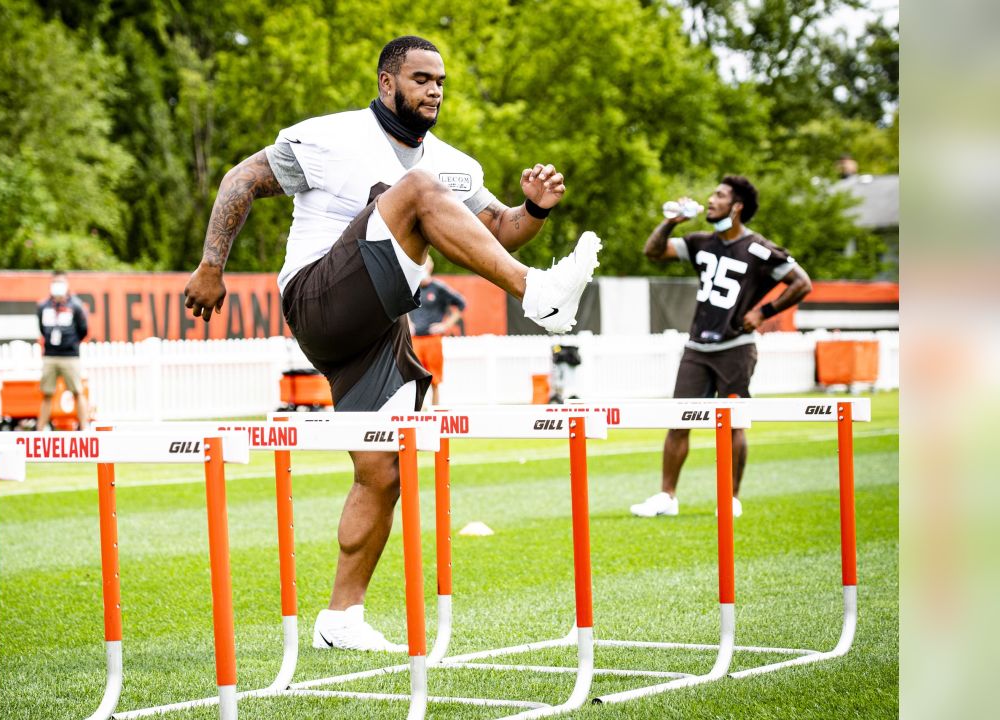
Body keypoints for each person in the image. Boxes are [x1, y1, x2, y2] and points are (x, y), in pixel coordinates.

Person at [182, 36, 602, 651]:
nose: (434, 90)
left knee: (383, 469)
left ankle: (341, 619)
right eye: (421, 79)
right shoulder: (330, 138)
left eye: (441, 82)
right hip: (318, 298)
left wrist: (533, 210)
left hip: (377, 327)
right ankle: (539, 297)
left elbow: (496, 235)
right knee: (416, 190)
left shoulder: (455, 165)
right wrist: (211, 265)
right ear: (386, 83)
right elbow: (240, 179)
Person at [631, 176, 812, 519]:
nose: (710, 200)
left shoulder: (758, 248)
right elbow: (653, 252)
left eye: (719, 195)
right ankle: (667, 496)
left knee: (733, 423)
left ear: (737, 206)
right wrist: (671, 222)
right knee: (678, 420)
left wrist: (764, 312)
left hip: (736, 346)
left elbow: (802, 283)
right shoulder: (701, 242)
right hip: (698, 346)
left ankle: (730, 498)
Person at [408, 256, 466, 406]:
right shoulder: (412, 287)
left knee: (435, 380)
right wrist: (409, 323)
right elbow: (401, 308)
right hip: (415, 340)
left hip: (432, 339)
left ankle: (435, 412)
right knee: (416, 381)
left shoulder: (439, 288)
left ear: (429, 268)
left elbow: (461, 304)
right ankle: (418, 413)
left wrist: (445, 325)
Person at [36, 271, 89, 430]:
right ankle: (40, 430)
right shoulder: (43, 306)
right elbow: (41, 329)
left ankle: (85, 428)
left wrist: (70, 343)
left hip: (70, 356)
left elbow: (83, 330)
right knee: (47, 393)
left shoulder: (76, 305)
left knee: (77, 391)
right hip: (50, 355)